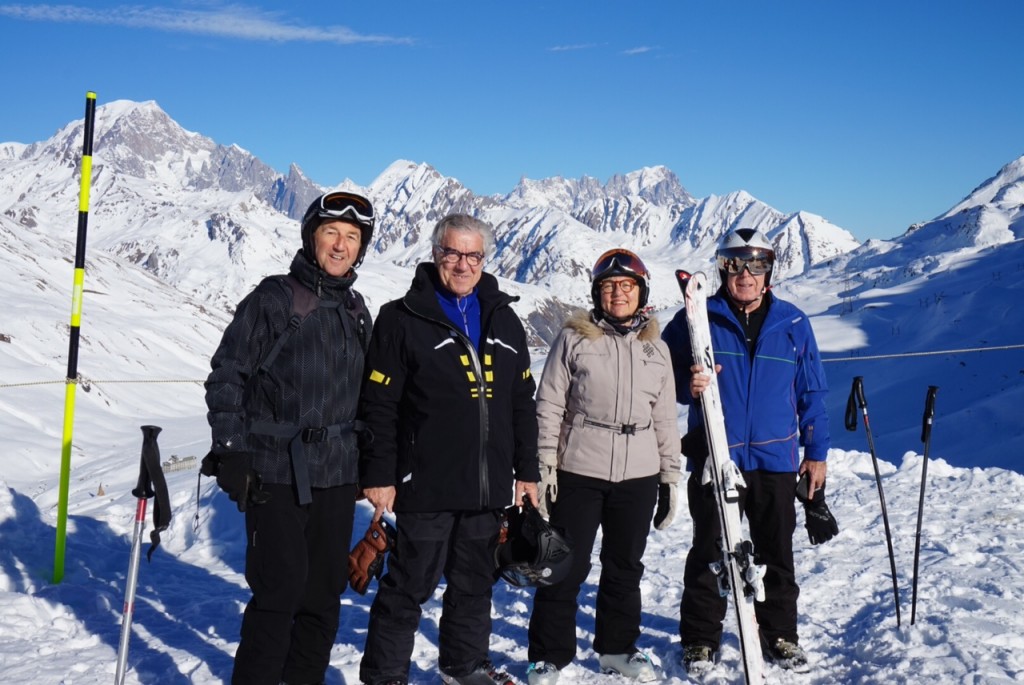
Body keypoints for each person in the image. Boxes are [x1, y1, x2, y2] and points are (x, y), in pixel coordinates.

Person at [357, 214, 540, 685]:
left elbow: (522, 401)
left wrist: (528, 471)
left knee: (475, 585)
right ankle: (384, 676)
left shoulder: (503, 316)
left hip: (488, 483)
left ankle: (464, 664)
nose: (462, 264)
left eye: (472, 255)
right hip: (427, 482)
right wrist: (379, 475)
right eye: (452, 253)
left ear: (484, 259)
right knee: (408, 586)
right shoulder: (402, 318)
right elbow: (379, 404)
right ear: (436, 254)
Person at [203, 191, 375, 685]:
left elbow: (367, 398)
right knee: (278, 596)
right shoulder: (274, 299)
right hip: (274, 472)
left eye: (352, 237)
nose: (340, 246)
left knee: (322, 599)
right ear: (311, 238)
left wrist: (373, 464)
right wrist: (232, 450)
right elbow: (226, 376)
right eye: (331, 233)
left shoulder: (358, 311)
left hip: (338, 476)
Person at [661, 227, 832, 676]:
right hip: (718, 454)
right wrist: (687, 384)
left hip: (775, 460)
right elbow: (660, 377)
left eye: (756, 265)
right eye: (735, 264)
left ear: (769, 271)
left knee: (777, 551)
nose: (745, 274)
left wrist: (816, 451)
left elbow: (811, 390)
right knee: (709, 549)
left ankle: (779, 635)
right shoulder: (697, 317)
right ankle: (700, 639)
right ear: (722, 268)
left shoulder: (793, 323)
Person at [525, 249, 682, 685]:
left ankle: (617, 649)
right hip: (581, 467)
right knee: (564, 564)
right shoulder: (575, 339)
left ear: (641, 293)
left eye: (627, 286)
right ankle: (548, 655)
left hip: (638, 472)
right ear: (597, 292)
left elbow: (666, 417)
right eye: (609, 286)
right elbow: (550, 403)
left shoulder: (657, 349)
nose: (618, 293)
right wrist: (546, 463)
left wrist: (670, 475)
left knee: (624, 566)